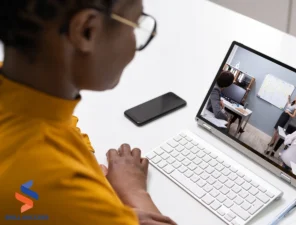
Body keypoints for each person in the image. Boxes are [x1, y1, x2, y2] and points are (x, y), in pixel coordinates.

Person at [0, 1, 176, 225]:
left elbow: (62, 126)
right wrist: (133, 192)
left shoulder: (23, 93)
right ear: (86, 31)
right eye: (133, 26)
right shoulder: (62, 188)